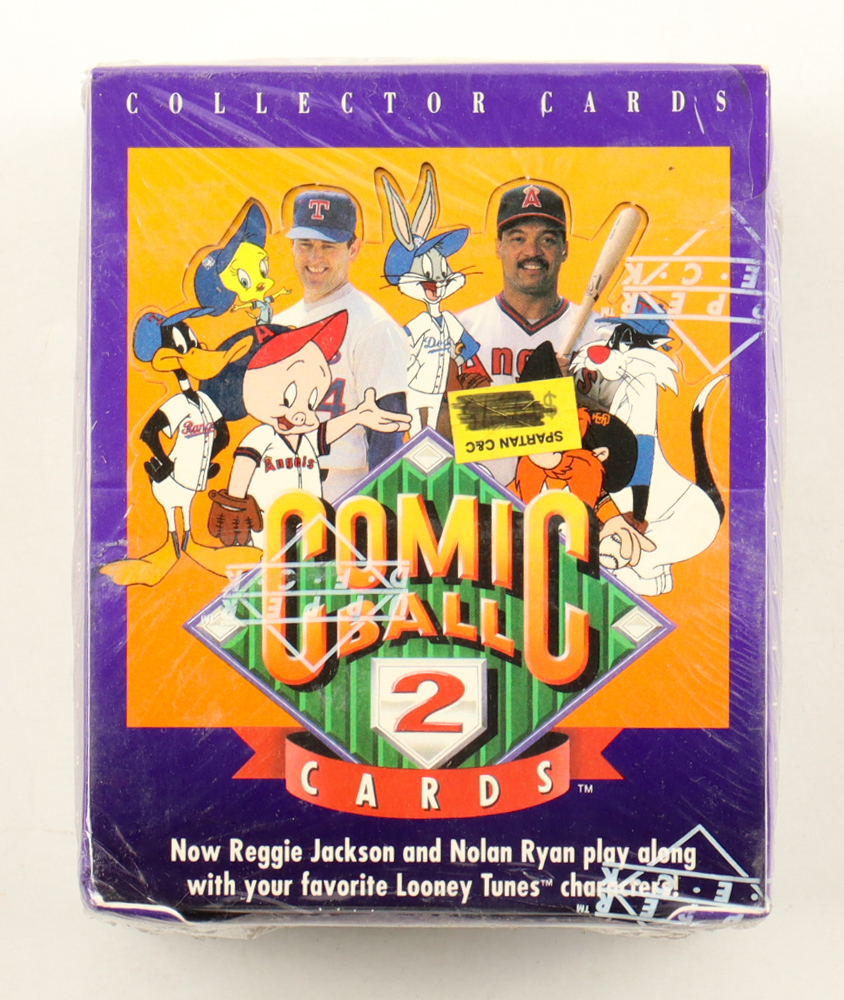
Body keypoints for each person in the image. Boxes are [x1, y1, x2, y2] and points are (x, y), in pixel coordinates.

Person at [456, 182, 607, 483]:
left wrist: (574, 397)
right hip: (481, 502)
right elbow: (434, 426)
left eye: (547, 240)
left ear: (565, 249)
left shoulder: (602, 334)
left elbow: (625, 435)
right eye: (518, 238)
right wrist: (545, 405)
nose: (532, 252)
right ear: (498, 247)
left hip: (570, 502)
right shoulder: (461, 331)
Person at [272, 190, 409, 501]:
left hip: (345, 491)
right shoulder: (279, 325)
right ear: (292, 246)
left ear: (353, 249)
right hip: (282, 487)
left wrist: (380, 514)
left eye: (329, 246)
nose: (315, 258)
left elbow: (388, 437)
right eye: (306, 244)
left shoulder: (374, 326)